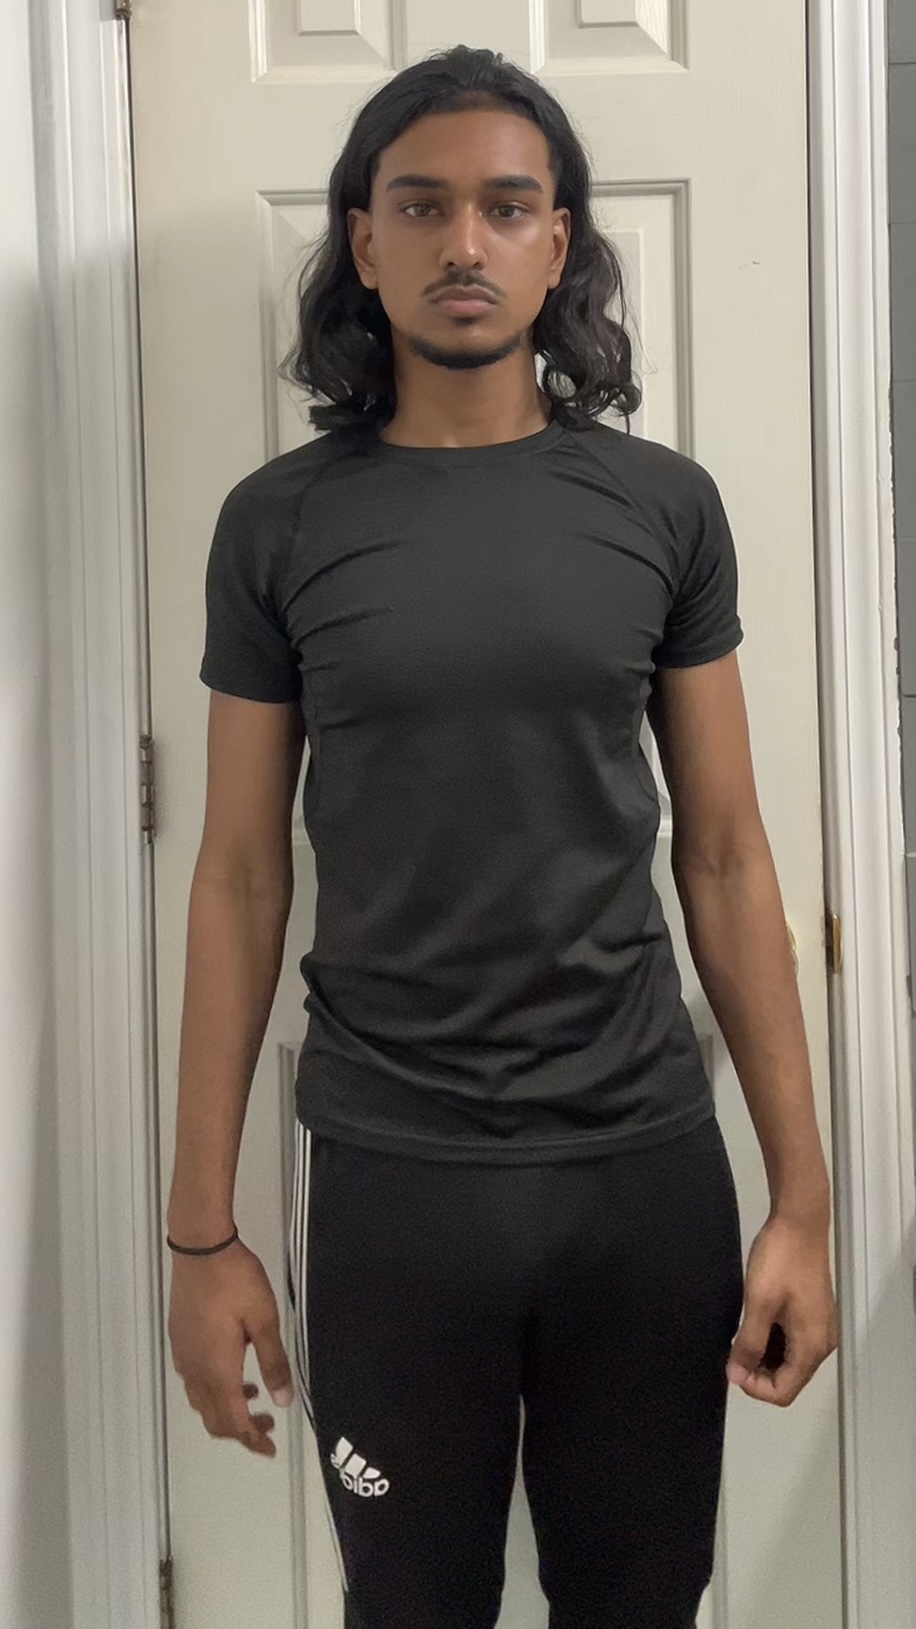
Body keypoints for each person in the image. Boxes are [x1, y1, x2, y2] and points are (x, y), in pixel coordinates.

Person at [166, 42, 838, 1629]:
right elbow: (241, 876)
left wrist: (803, 1203)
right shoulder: (280, 523)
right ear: (365, 239)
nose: (464, 241)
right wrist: (201, 1235)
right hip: (395, 1183)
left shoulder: (665, 507)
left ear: (558, 243)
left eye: (506, 206)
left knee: (640, 1604)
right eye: (422, 205)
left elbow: (727, 854)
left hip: (639, 1172)